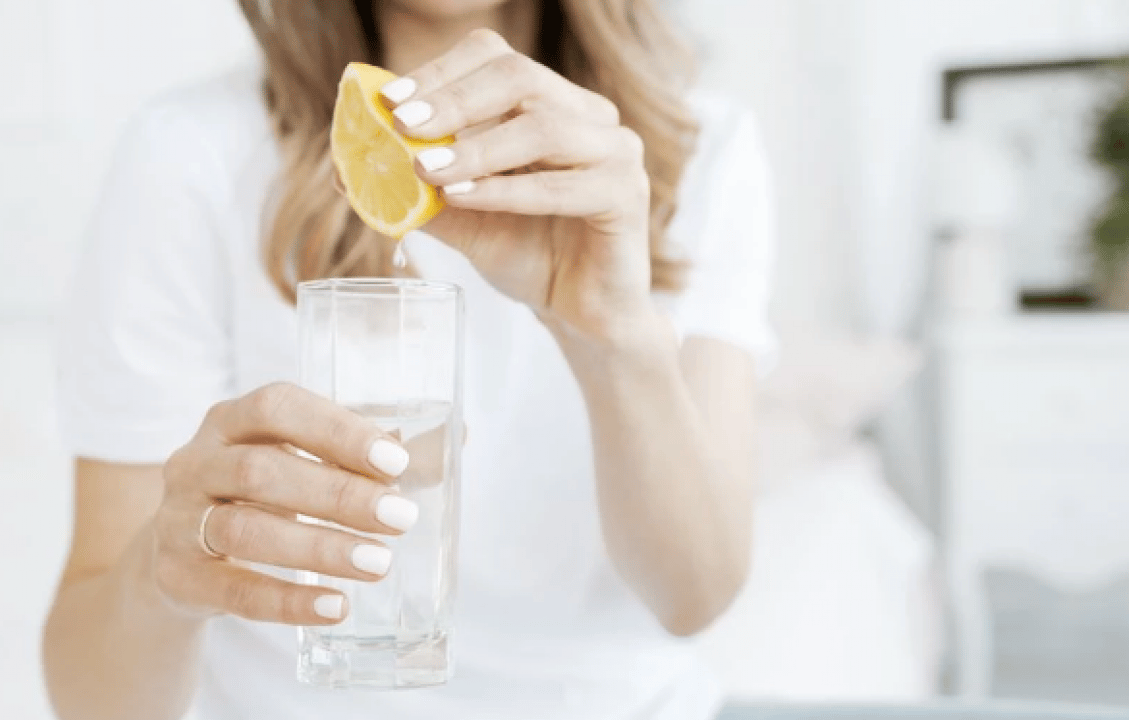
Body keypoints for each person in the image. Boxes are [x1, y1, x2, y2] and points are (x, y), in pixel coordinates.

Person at [42, 0, 776, 718]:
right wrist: (161, 575)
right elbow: (91, 701)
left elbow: (694, 597)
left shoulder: (697, 148)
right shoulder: (189, 153)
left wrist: (612, 335)